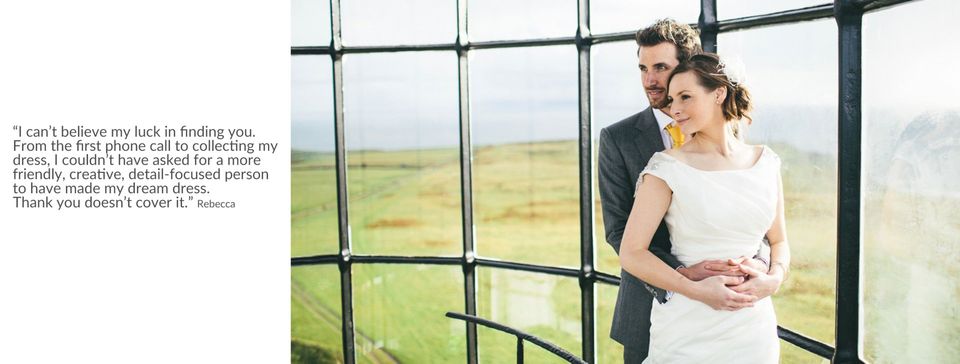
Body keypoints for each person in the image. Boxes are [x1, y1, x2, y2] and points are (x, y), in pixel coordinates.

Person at [598, 19, 772, 362]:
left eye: (660, 67)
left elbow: (752, 211)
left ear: (688, 66)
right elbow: (618, 230)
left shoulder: (729, 135)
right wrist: (683, 276)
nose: (650, 79)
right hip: (649, 310)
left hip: (736, 310)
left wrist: (760, 268)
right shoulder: (617, 139)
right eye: (643, 68)